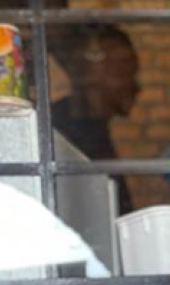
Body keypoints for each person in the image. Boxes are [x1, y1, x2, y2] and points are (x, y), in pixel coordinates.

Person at [50, 25, 140, 213]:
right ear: (92, 73)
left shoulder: (95, 128)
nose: (136, 86)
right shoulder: (60, 132)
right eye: (124, 72)